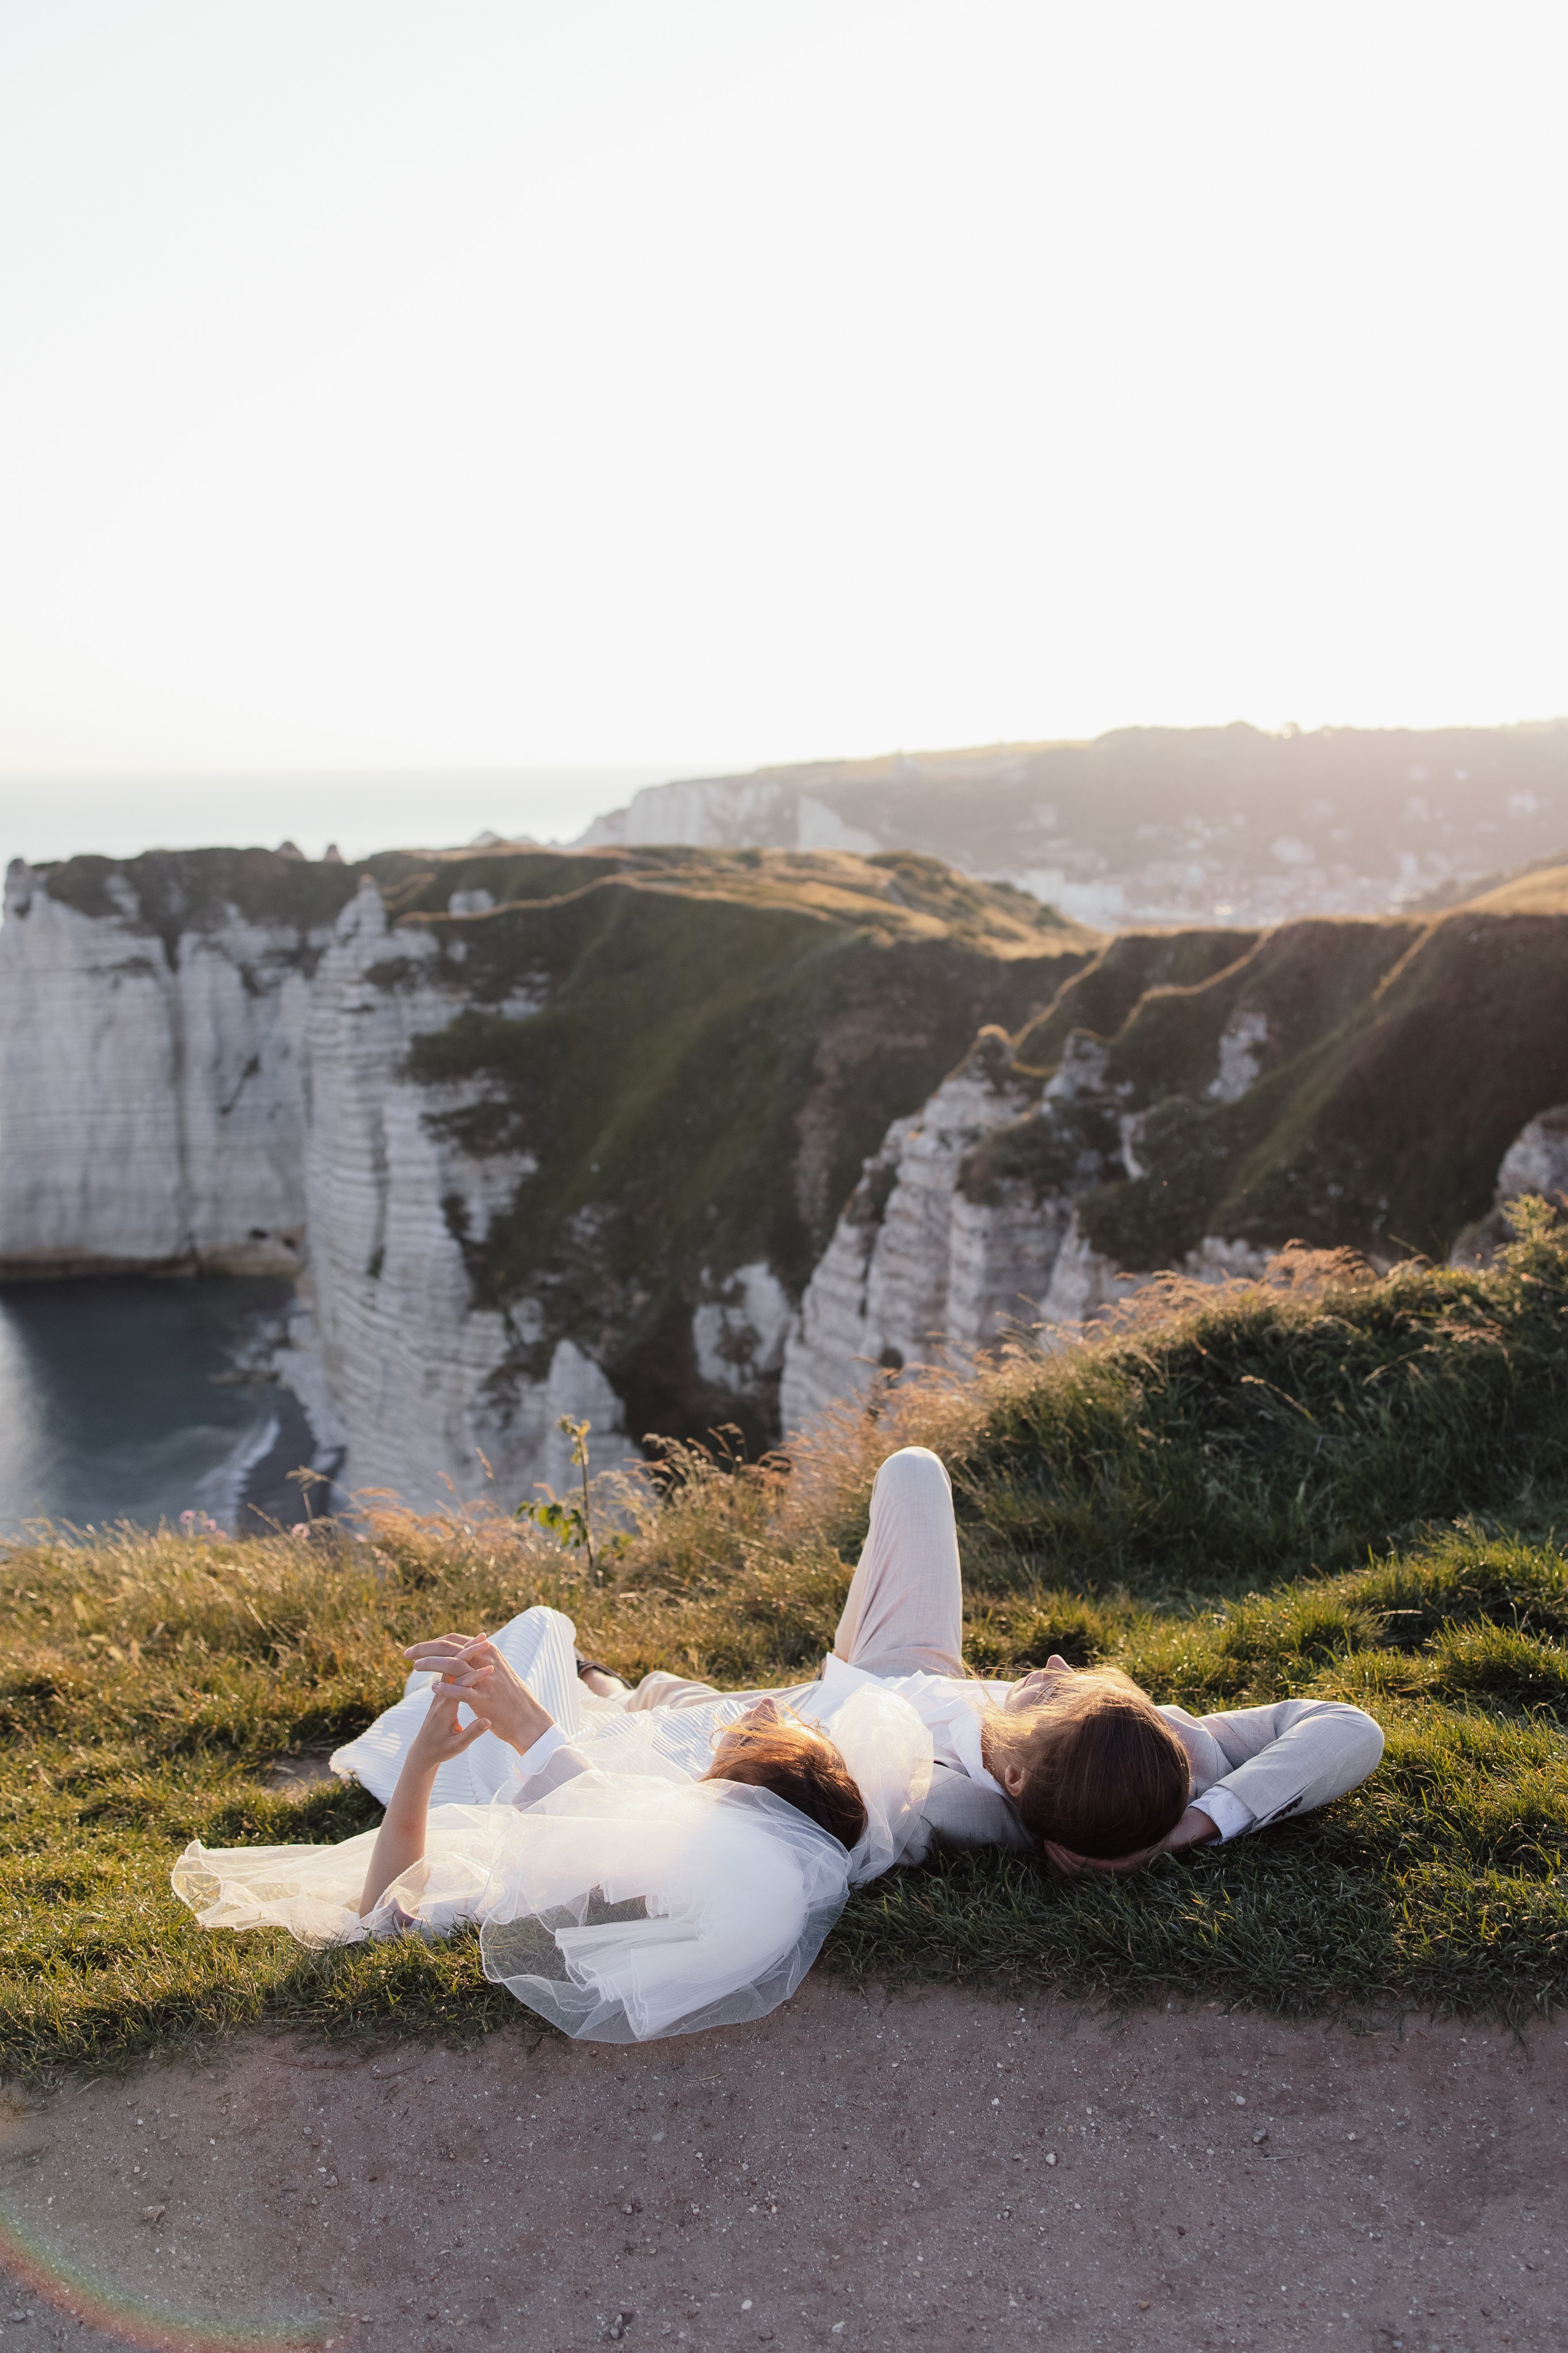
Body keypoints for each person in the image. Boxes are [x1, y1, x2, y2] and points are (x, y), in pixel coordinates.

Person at [561, 1443, 1387, 1873]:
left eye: (1050, 1695)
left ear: (1017, 1780)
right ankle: (626, 1686)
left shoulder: (936, 1806)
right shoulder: (1161, 1754)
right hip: (915, 1664)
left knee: (667, 1709)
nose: (1053, 1664)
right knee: (914, 1472)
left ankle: (610, 1687)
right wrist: (1194, 1827)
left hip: (830, 1718)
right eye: (1074, 1681)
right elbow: (1349, 1728)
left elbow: (766, 1808)